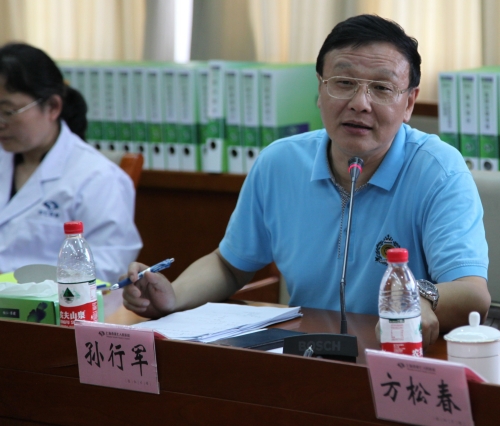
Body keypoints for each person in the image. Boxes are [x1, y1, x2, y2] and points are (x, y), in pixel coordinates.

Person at [123, 14, 490, 349]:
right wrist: (174, 296)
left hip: (396, 359)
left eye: (381, 88)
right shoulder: (280, 163)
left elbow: (473, 295)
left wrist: (419, 297)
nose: (360, 103)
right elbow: (229, 265)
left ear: (409, 103)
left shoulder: (438, 171)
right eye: (343, 82)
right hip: (303, 357)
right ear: (320, 90)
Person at [0, 42, 143, 314]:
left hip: (53, 316)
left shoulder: (97, 177)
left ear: (53, 107)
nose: (0, 122)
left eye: (8, 111)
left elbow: (108, 267)